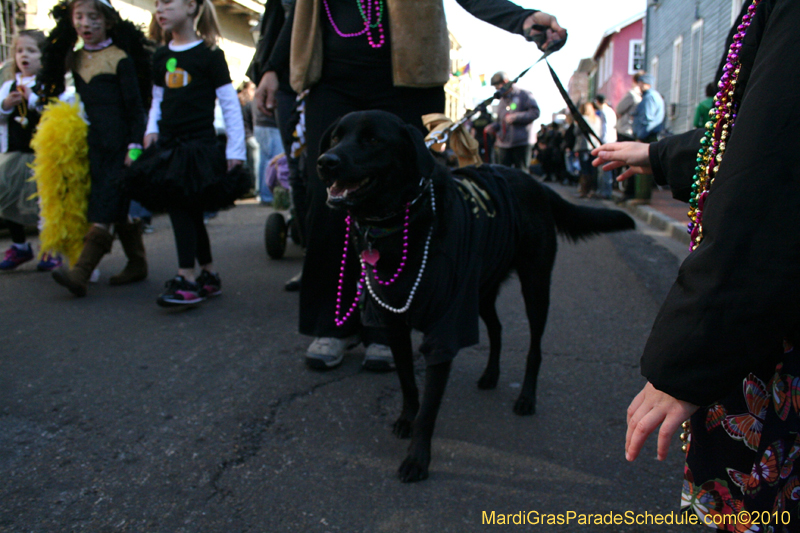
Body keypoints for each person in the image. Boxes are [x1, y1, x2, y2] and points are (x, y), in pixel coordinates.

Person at [252, 0, 566, 371]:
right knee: (330, 203)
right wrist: (272, 66)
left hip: (408, 82)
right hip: (331, 81)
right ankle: (334, 326)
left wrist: (522, 18)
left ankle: (385, 330)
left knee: (402, 206)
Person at [592, 0, 800, 524]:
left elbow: (770, 176)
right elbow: (741, 133)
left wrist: (685, 359)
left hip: (772, 323)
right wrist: (659, 155)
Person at [126, 0, 247, 307]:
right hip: (167, 145)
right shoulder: (162, 55)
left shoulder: (209, 55)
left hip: (198, 146)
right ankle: (207, 273)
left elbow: (230, 104)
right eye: (156, 4)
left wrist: (236, 149)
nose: (160, 9)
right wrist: (151, 130)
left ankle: (186, 278)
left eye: (168, 2)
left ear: (192, 6)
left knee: (182, 207)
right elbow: (157, 97)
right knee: (188, 209)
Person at [38, 0, 151, 297]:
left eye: (93, 17)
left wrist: (135, 148)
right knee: (117, 206)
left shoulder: (120, 58)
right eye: (79, 17)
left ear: (109, 21)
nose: (86, 23)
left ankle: (81, 273)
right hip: (94, 146)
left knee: (104, 207)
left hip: (122, 146)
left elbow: (136, 109)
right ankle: (138, 263)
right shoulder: (74, 59)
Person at [0, 30, 61, 272]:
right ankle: (19, 246)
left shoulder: (46, 85)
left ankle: (50, 247)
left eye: (31, 51)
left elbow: (54, 112)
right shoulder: (7, 86)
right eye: (19, 51)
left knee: (44, 204)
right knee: (9, 199)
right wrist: (5, 106)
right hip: (14, 153)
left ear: (43, 57)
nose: (24, 55)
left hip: (41, 154)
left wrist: (34, 99)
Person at [486, 71, 540, 173]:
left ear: (506, 82)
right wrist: (492, 127)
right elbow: (500, 122)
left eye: (498, 86)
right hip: (504, 144)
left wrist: (517, 117)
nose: (497, 89)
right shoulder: (501, 101)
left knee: (522, 174)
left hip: (521, 142)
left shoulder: (524, 94)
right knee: (503, 173)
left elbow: (535, 112)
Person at [627, 73, 664, 202]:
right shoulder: (653, 96)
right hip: (648, 135)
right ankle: (642, 195)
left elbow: (647, 119)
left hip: (647, 136)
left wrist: (641, 136)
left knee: (642, 167)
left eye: (641, 83)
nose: (639, 85)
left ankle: (642, 196)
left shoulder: (649, 97)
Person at [574, 101, 601, 198]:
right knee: (593, 169)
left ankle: (584, 190)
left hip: (583, 147)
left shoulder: (582, 119)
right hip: (594, 147)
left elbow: (576, 132)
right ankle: (592, 190)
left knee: (585, 170)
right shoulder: (597, 119)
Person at [593, 94, 616, 199]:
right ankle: (604, 191)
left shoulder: (605, 111)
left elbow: (605, 129)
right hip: (610, 141)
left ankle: (605, 193)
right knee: (605, 169)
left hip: (607, 143)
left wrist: (603, 144)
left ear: (598, 102)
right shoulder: (610, 111)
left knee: (604, 169)